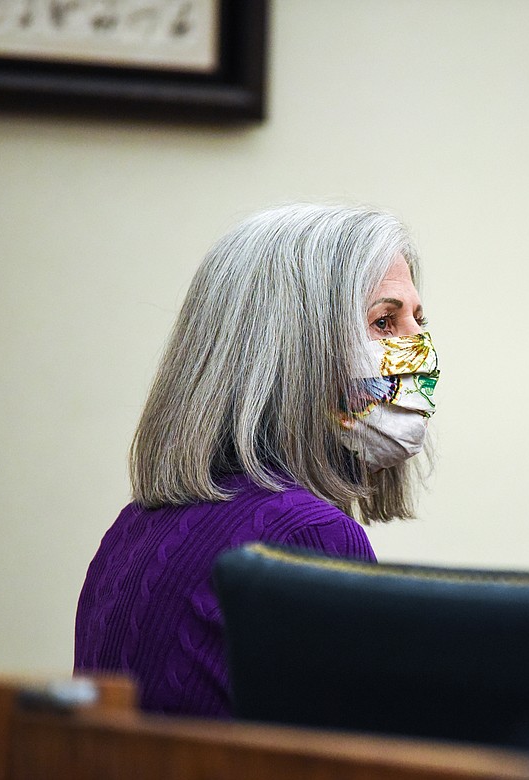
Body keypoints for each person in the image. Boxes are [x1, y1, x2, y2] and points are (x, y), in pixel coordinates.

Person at [75, 203, 439, 718]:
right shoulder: (306, 536)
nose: (418, 348)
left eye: (417, 321)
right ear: (293, 349)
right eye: (384, 321)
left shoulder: (132, 527)